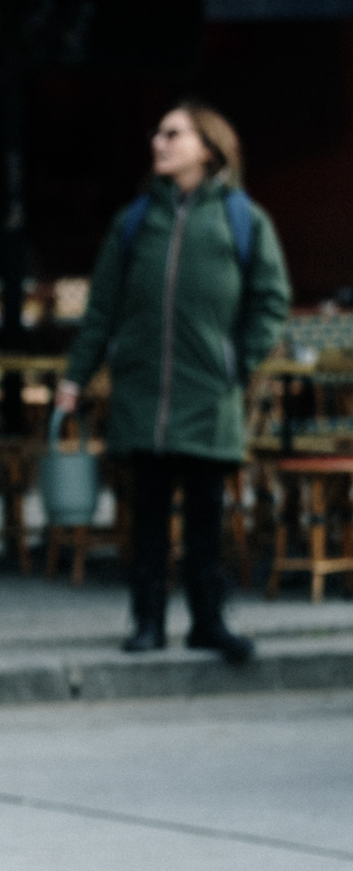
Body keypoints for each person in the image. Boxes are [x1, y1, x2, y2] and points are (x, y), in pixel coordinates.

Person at [56, 102, 289, 664]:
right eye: (157, 133)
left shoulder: (241, 219)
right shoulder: (135, 221)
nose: (157, 142)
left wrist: (237, 362)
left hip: (209, 396)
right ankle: (148, 623)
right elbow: (102, 309)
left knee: (207, 520)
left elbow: (271, 300)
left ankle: (208, 623)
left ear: (206, 148)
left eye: (172, 134)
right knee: (147, 520)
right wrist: (75, 378)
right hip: (141, 396)